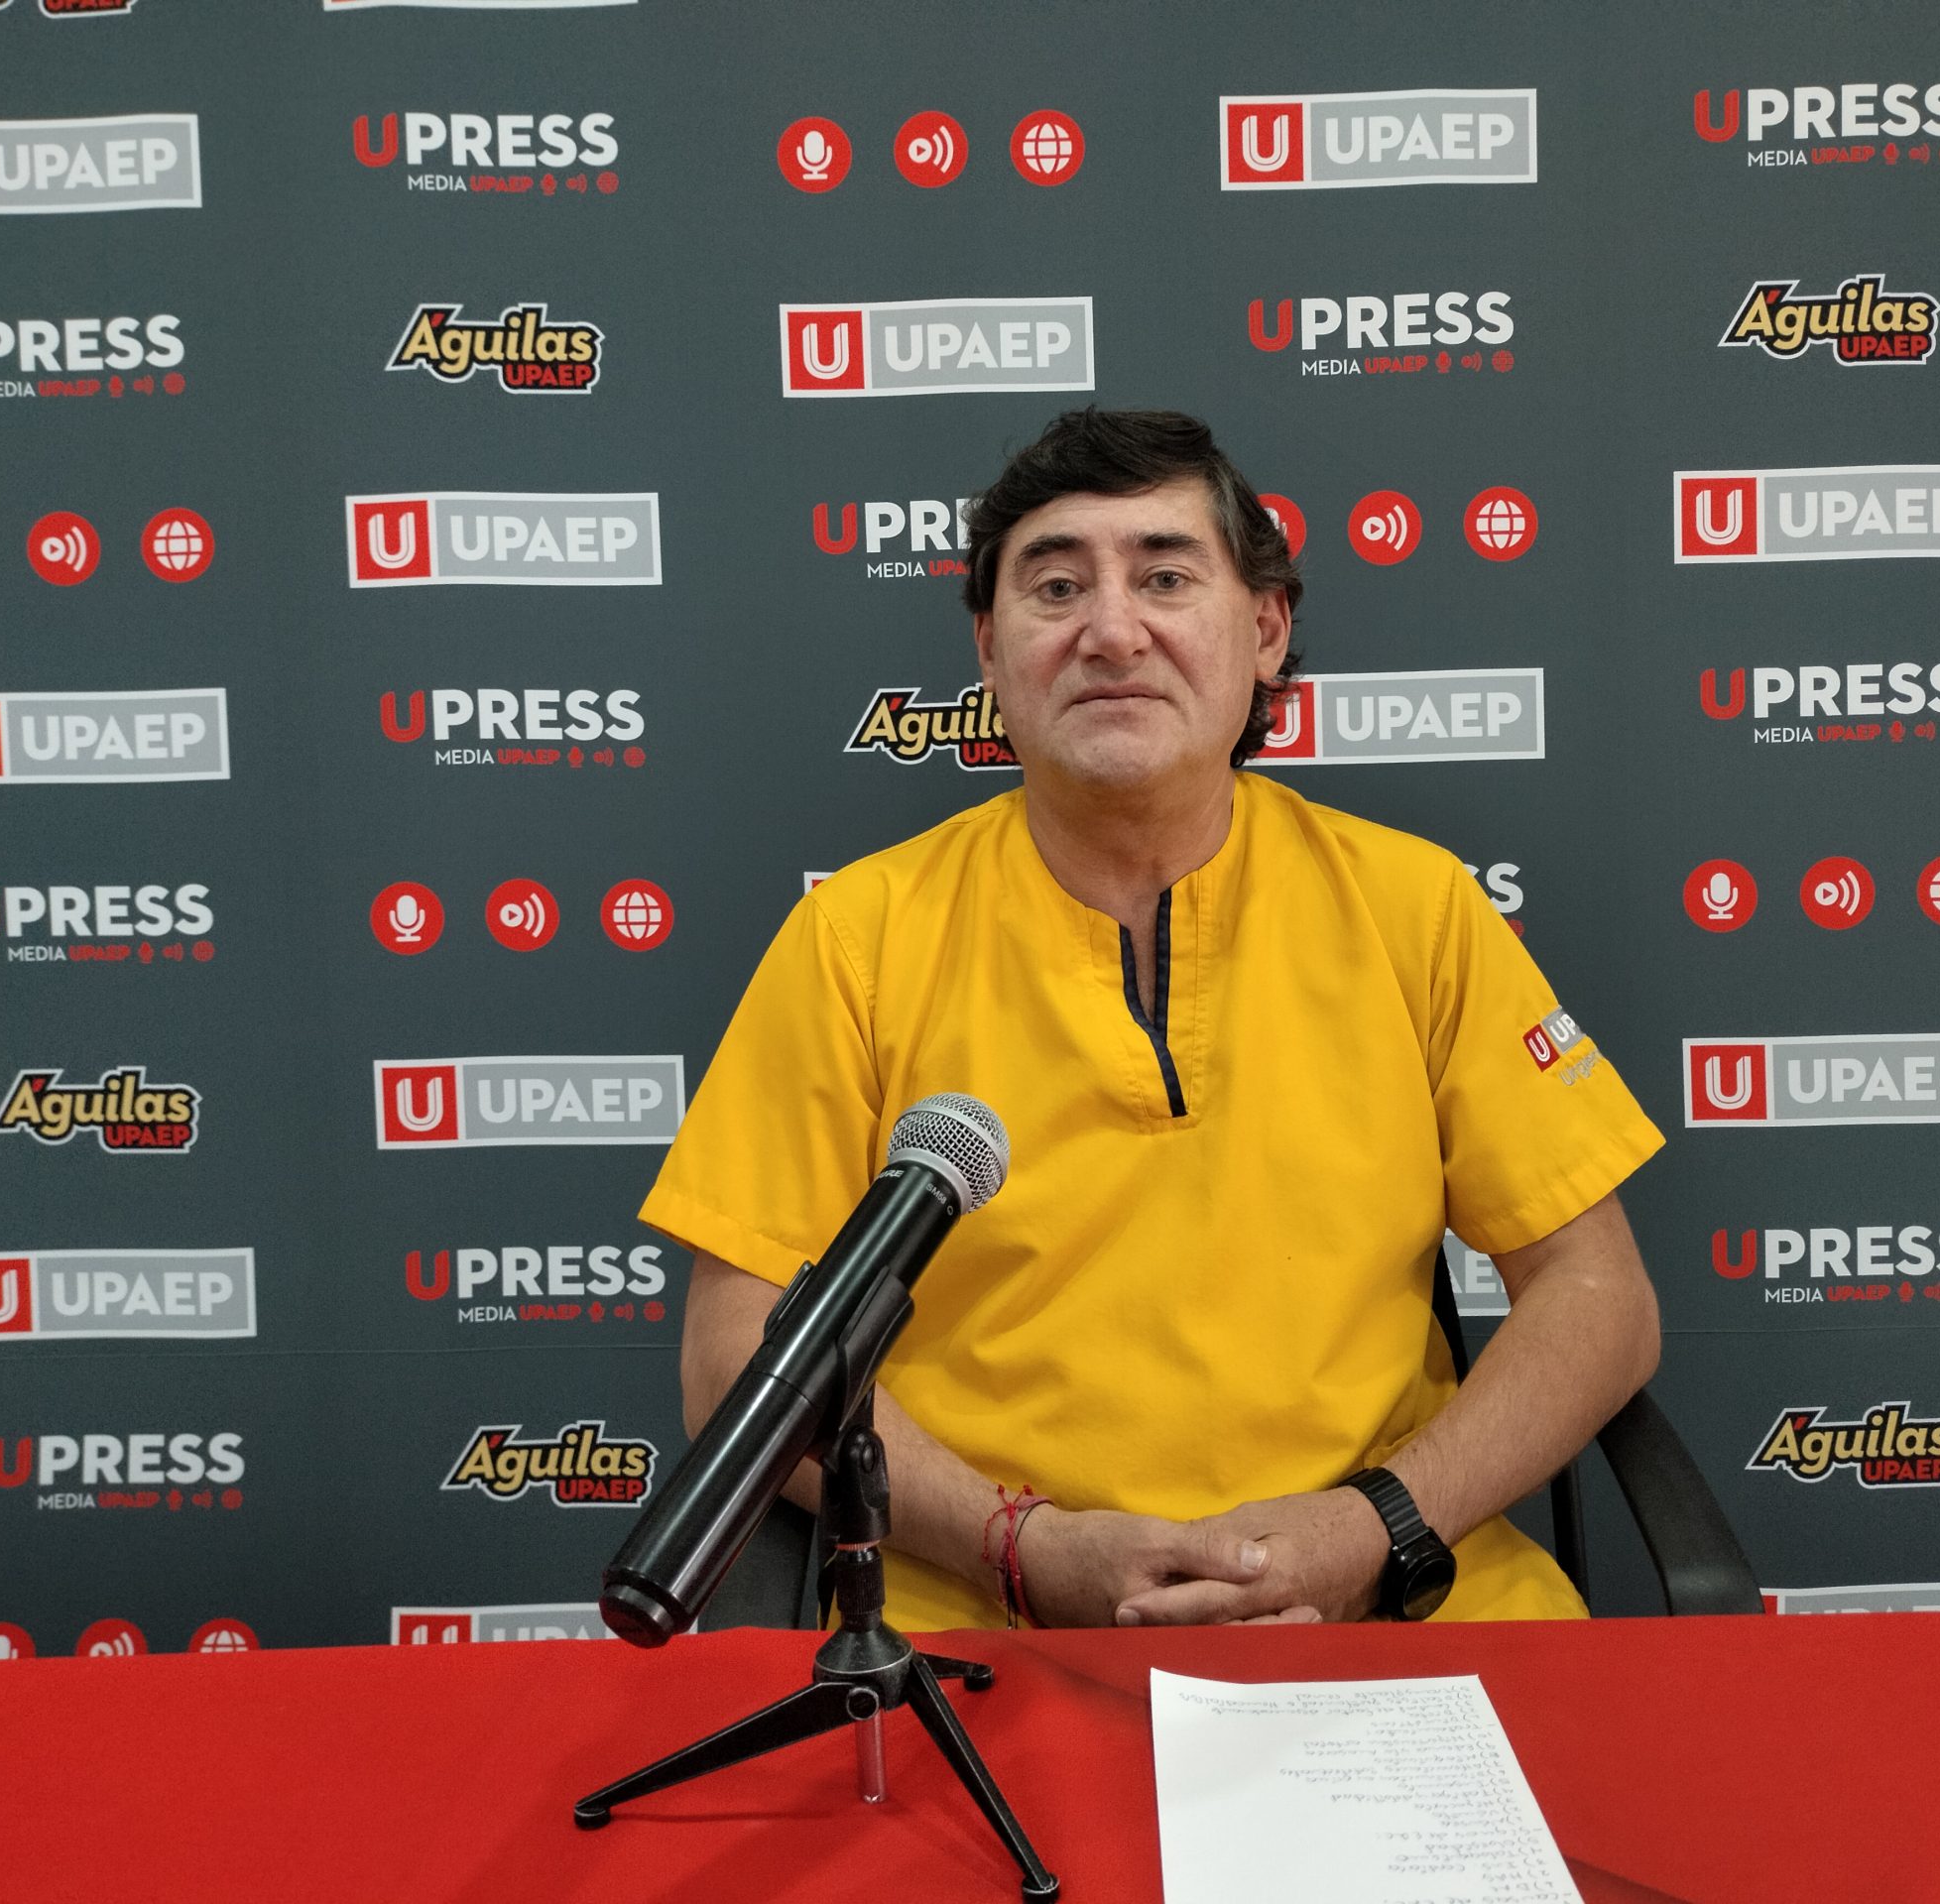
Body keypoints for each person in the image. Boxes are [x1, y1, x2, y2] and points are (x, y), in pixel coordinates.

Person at [644, 409, 1663, 1629]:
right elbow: (733, 1357)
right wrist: (1021, 1548)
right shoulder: (855, 939)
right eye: (1056, 586)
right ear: (990, 651)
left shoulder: (1418, 908)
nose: (1112, 631)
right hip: (981, 1615)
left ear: (1265, 631)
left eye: (1166, 578)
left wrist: (1373, 1528)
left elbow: (1598, 1296)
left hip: (1393, 1595)